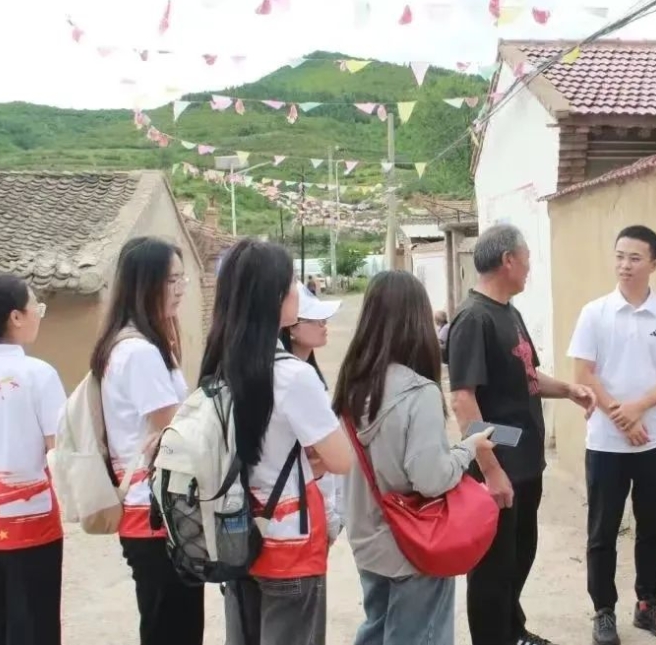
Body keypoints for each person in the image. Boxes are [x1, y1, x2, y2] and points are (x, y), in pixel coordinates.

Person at [446, 223, 596, 645]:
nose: (530, 267)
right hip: (499, 465)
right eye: (526, 258)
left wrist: (567, 389)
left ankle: (513, 631)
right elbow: (463, 400)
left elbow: (527, 375)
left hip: (525, 462)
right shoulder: (474, 319)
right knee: (492, 567)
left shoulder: (508, 312)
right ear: (508, 260)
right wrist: (491, 470)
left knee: (519, 556)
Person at [333, 270, 495, 645]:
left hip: (367, 541)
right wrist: (468, 448)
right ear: (417, 322)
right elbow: (430, 478)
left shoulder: (351, 387)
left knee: (377, 629)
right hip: (413, 546)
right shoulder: (418, 392)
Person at [210, 239, 354, 645]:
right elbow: (342, 460)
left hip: (237, 534)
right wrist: (314, 458)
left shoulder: (219, 367)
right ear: (272, 297)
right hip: (289, 542)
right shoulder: (293, 376)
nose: (297, 291)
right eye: (291, 283)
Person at [566, 225, 656, 645]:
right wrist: (622, 418)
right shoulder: (595, 313)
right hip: (606, 442)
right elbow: (583, 372)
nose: (625, 265)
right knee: (602, 530)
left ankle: (647, 604)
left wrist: (639, 408)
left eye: (635, 258)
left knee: (652, 527)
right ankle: (603, 610)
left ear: (654, 264)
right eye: (620, 256)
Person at [90, 237, 203, 645]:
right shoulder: (139, 352)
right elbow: (175, 432)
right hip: (156, 514)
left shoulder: (133, 343)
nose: (180, 289)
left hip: (152, 512)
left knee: (168, 625)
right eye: (171, 280)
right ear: (145, 284)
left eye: (182, 278)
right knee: (173, 629)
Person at [0, 274, 67, 645]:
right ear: (15, 317)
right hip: (28, 522)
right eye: (37, 307)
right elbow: (60, 446)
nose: (39, 315)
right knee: (34, 625)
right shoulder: (38, 374)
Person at [279, 282, 346, 543]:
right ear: (291, 328)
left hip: (323, 503)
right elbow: (330, 459)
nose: (323, 324)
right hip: (307, 508)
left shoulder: (308, 374)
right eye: (314, 320)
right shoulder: (295, 378)